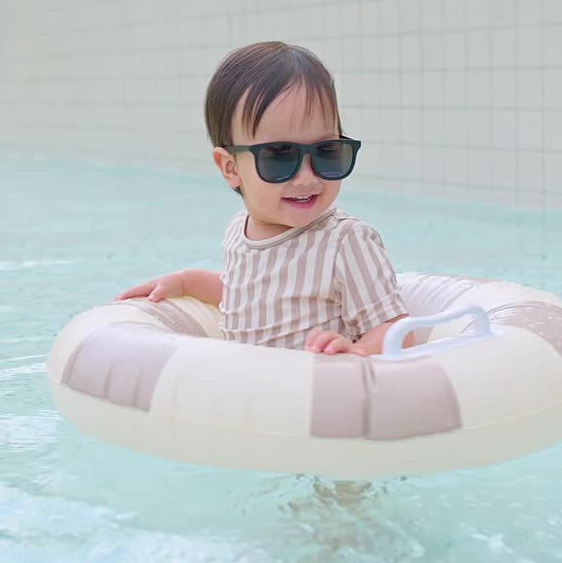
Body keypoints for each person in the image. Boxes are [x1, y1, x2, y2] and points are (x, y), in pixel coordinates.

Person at [116, 41, 409, 356]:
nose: (307, 176)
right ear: (230, 168)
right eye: (280, 156)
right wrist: (187, 282)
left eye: (326, 152)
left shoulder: (345, 241)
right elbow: (248, 297)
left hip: (317, 395)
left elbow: (396, 330)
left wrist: (355, 351)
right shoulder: (237, 231)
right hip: (254, 394)